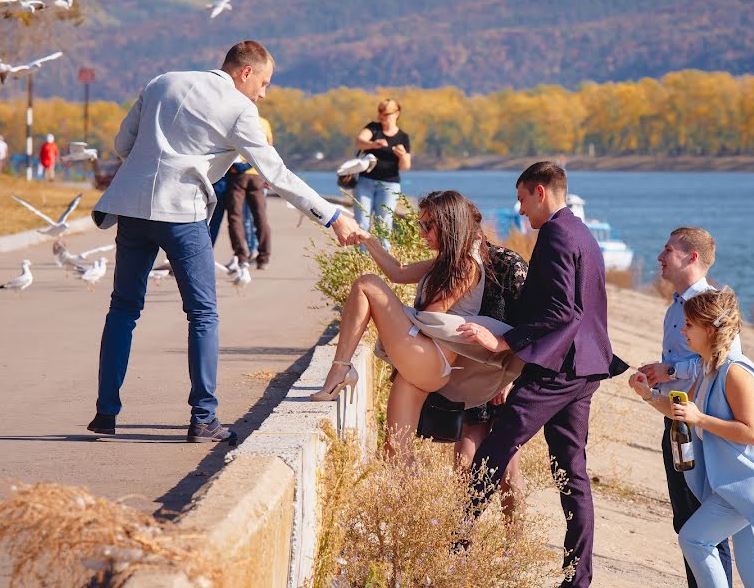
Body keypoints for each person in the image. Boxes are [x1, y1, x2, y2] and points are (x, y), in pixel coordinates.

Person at [87, 40, 361, 443]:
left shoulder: (162, 81)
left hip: (130, 208)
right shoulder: (240, 110)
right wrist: (333, 216)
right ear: (245, 72)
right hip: (181, 214)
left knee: (123, 308)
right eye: (264, 82)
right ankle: (203, 419)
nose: (264, 94)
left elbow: (123, 146)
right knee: (202, 315)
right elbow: (278, 176)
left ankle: (105, 413)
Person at [459, 162, 614, 588]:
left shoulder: (558, 235)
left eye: (523, 199)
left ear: (540, 191)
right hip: (585, 366)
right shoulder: (579, 231)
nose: (521, 211)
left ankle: (452, 542)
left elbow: (562, 310)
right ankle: (577, 580)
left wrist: (504, 345)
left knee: (496, 444)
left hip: (559, 368)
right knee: (572, 472)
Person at [311, 190, 524, 461]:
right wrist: (370, 241)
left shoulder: (464, 264)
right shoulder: (446, 260)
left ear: (449, 225)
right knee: (395, 450)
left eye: (427, 225)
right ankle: (403, 499)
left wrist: (390, 319)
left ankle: (340, 369)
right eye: (420, 224)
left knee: (367, 284)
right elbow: (398, 272)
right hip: (422, 360)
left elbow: (431, 318)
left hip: (430, 357)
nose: (422, 233)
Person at [631, 288, 754, 587]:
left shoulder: (735, 371)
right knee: (752, 571)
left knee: (697, 541)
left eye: (689, 325)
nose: (682, 330)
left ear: (709, 329)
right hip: (732, 485)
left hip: (750, 484)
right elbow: (681, 409)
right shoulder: (709, 367)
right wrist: (649, 395)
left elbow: (752, 433)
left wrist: (701, 419)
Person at [631, 227, 738, 588]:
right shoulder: (673, 309)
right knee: (686, 522)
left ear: (691, 258)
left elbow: (721, 363)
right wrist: (658, 376)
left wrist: (670, 370)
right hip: (676, 423)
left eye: (668, 250)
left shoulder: (711, 306)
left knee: (705, 526)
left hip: (702, 428)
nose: (660, 258)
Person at [455, 233, 529, 524]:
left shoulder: (508, 264)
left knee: (508, 472)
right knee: (463, 465)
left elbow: (531, 326)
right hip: (470, 378)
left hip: (507, 376)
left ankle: (513, 551)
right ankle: (460, 543)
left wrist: (510, 379)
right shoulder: (453, 267)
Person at [353, 99, 411, 249]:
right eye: (380, 113)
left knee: (383, 226)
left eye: (386, 114)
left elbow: (405, 166)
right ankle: (361, 259)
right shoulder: (373, 128)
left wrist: (402, 156)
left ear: (397, 114)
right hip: (366, 181)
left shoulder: (403, 137)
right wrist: (373, 144)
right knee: (362, 223)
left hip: (389, 185)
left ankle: (385, 262)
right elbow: (359, 142)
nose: (382, 117)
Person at [226, 115, 273, 271]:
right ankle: (264, 257)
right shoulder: (264, 122)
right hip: (257, 175)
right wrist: (268, 175)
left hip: (237, 175)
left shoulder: (234, 118)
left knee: (235, 217)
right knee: (260, 217)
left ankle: (241, 256)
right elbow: (268, 149)